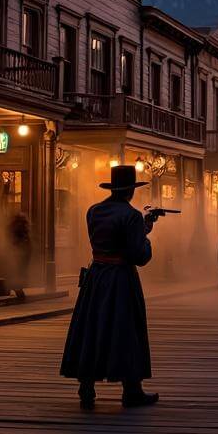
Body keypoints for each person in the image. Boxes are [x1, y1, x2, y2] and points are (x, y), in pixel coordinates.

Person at [60, 166, 163, 409]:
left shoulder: (93, 211)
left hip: (96, 277)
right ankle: (132, 390)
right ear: (130, 190)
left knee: (91, 330)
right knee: (126, 331)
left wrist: (141, 229)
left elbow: (109, 240)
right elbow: (139, 255)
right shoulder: (132, 216)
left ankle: (86, 388)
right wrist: (146, 234)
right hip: (120, 279)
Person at [8, 212, 32, 299]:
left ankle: (16, 288)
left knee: (19, 271)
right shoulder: (22, 228)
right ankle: (18, 288)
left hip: (20, 253)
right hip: (22, 253)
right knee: (21, 271)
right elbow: (24, 241)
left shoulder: (14, 227)